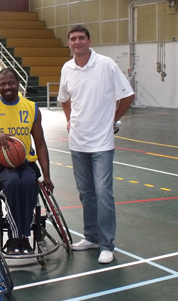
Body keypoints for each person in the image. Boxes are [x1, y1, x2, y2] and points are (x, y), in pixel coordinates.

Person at [57, 25, 135, 264]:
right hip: (77, 143)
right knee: (86, 193)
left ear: (89, 40)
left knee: (103, 193)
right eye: (73, 39)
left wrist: (112, 119)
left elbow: (127, 95)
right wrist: (70, 119)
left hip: (101, 143)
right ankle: (90, 237)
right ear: (69, 43)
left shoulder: (107, 65)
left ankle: (106, 244)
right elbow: (64, 99)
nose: (77, 42)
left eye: (81, 38)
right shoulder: (67, 68)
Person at [0, 68, 54, 256]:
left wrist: (47, 175)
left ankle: (22, 237)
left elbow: (40, 144)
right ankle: (17, 237)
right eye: (3, 84)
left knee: (28, 182)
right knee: (14, 182)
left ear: (18, 84)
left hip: (25, 161)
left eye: (11, 83)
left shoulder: (31, 108)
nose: (7, 87)